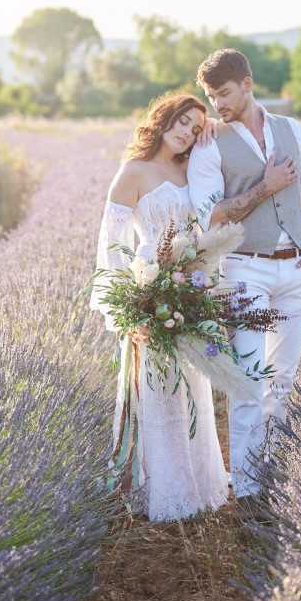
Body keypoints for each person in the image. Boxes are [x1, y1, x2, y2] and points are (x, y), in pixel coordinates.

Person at [187, 48, 301, 499]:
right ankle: (246, 491)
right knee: (249, 380)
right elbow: (209, 218)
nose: (217, 105)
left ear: (247, 83)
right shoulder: (210, 143)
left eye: (224, 93)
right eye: (210, 97)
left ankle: (271, 476)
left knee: (282, 382)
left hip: (295, 271)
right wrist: (266, 187)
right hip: (245, 270)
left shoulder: (291, 129)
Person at [90, 93, 231, 522]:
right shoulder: (133, 171)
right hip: (150, 295)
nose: (186, 131)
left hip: (189, 291)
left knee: (192, 391)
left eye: (195, 127)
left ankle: (199, 486)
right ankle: (166, 495)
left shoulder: (194, 169)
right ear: (164, 118)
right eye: (182, 121)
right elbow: (112, 247)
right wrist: (126, 314)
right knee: (158, 393)